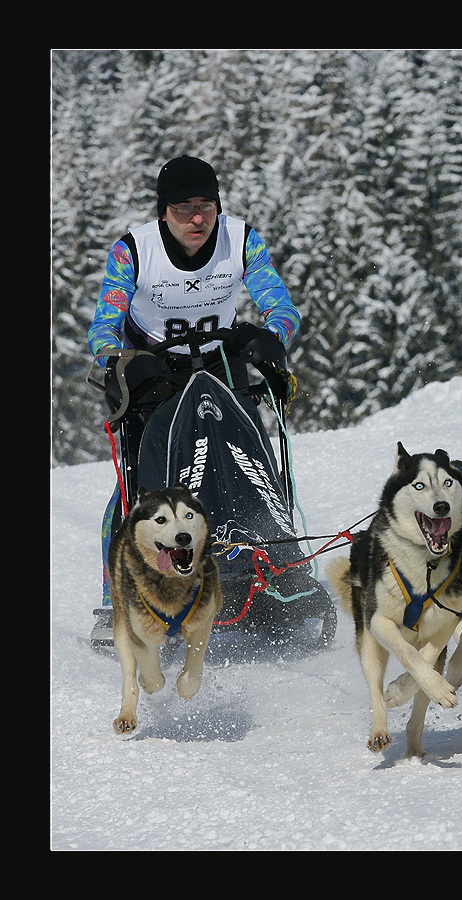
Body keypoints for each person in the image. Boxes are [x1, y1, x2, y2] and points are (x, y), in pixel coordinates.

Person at [88, 155, 300, 617]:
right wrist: (121, 360)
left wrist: (269, 338)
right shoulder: (133, 251)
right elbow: (102, 329)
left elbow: (282, 309)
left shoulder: (241, 239)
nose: (198, 218)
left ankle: (282, 573)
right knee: (136, 488)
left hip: (222, 367)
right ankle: (116, 599)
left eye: (207, 204)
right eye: (184, 207)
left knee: (255, 468)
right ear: (164, 210)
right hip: (155, 378)